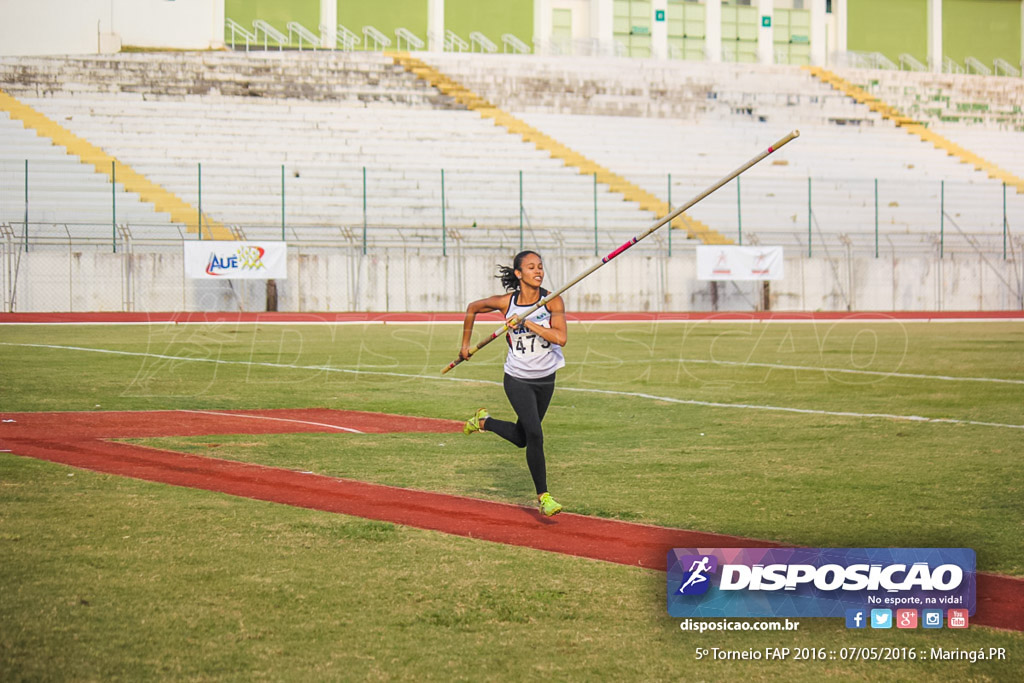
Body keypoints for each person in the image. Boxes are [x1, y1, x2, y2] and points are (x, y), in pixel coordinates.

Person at [458, 250, 567, 517]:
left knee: (521, 438)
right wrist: (465, 346)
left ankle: (484, 422)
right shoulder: (506, 303)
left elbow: (561, 338)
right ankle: (544, 497)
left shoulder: (552, 301)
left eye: (540, 266)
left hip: (545, 378)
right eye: (531, 267)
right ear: (519, 274)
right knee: (535, 435)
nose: (538, 271)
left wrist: (528, 323)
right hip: (517, 378)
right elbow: (472, 308)